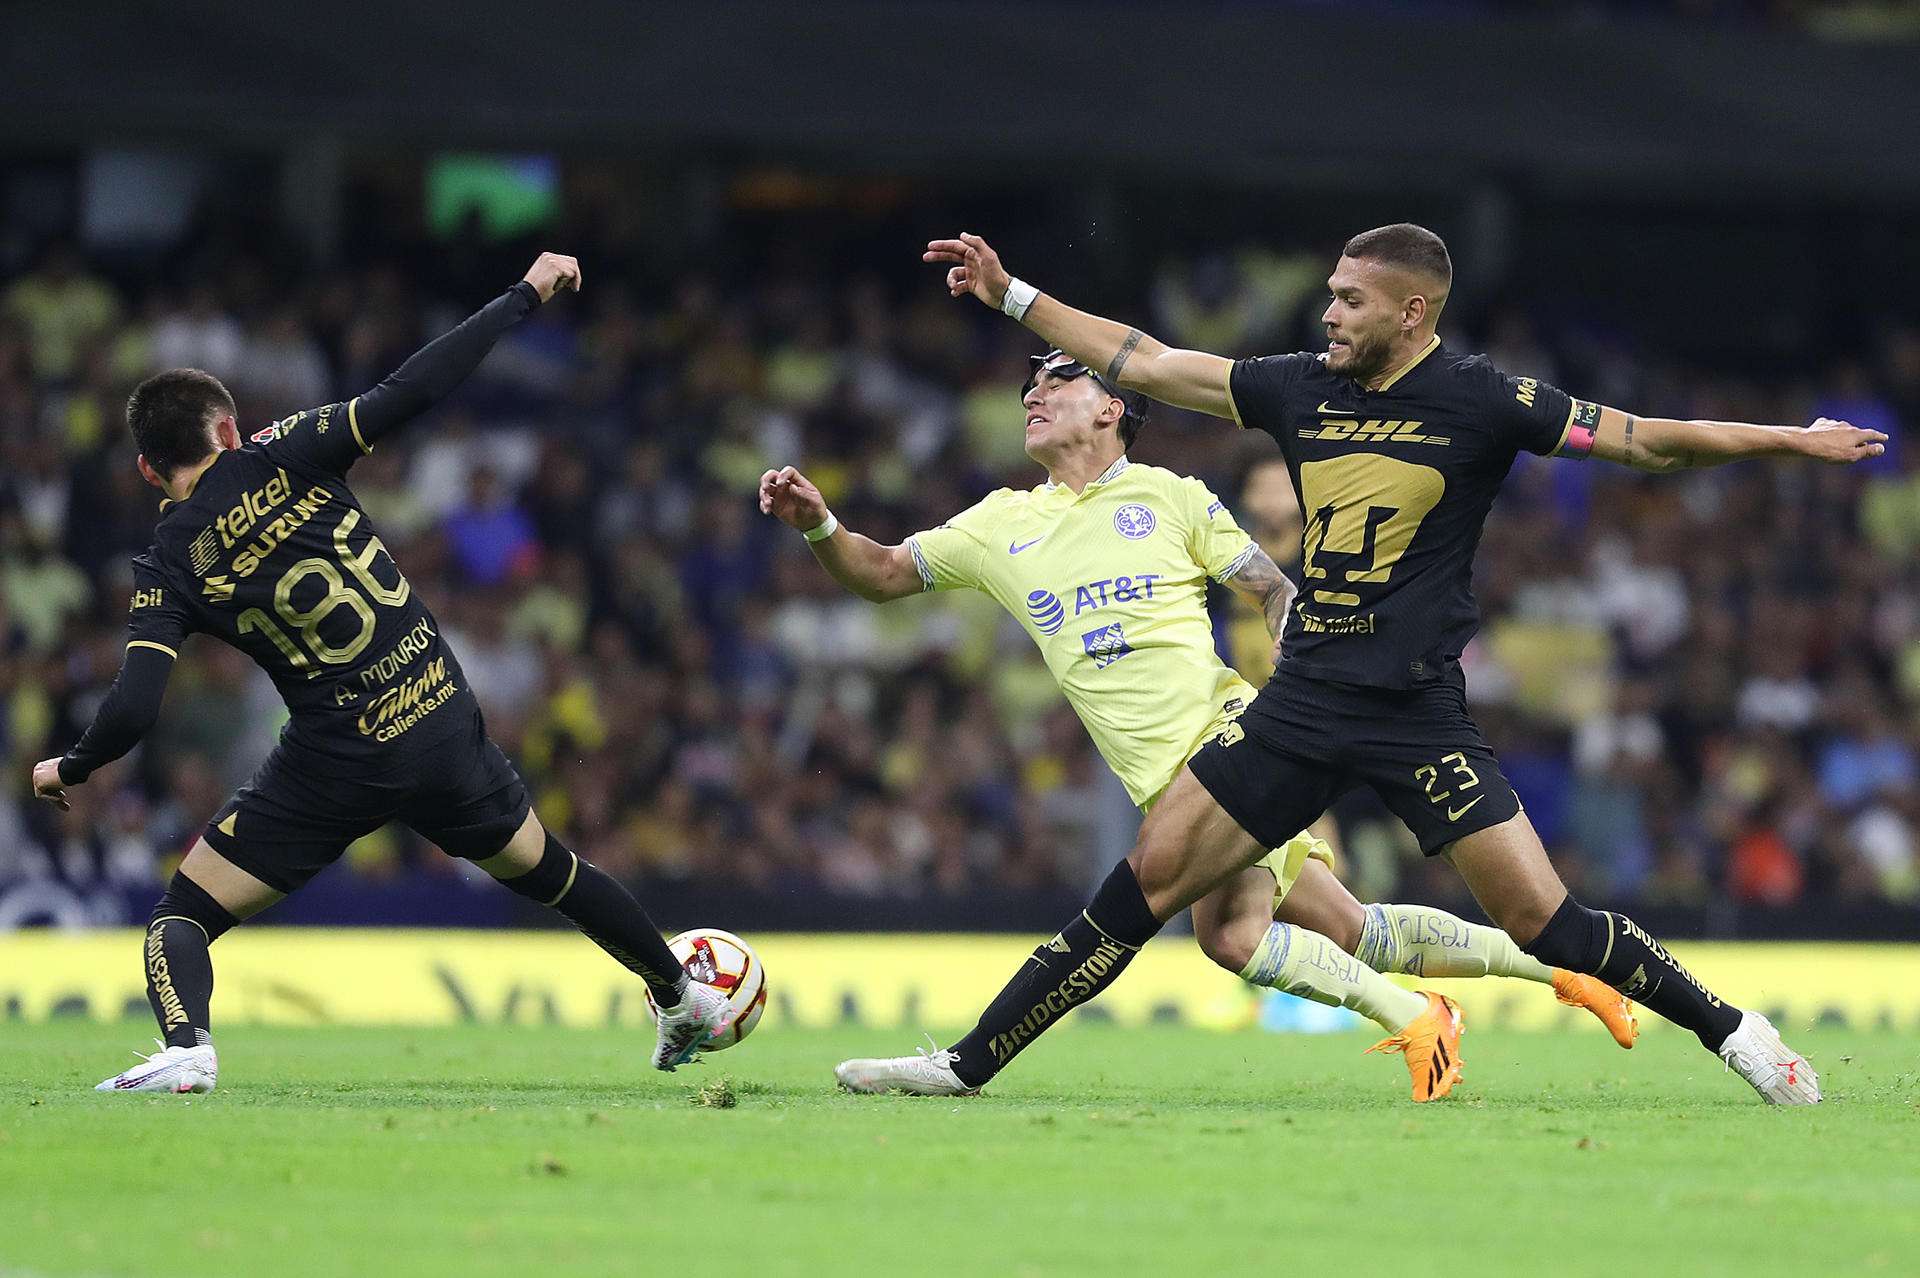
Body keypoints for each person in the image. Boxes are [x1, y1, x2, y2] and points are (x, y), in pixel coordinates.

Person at [832, 223, 1888, 1105]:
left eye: (1348, 299)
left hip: (1419, 709)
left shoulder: (1485, 400)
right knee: (1148, 884)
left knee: (1545, 919)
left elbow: (1646, 441)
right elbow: (1146, 361)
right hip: (1303, 703)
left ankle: (1735, 1029)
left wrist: (1790, 440)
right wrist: (1011, 292)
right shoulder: (1297, 389)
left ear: (1410, 310)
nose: (1328, 314)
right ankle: (966, 1067)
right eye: (1329, 295)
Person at [763, 347, 1635, 1103]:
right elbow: (879, 573)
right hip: (1162, 774)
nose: (1033, 392)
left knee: (1217, 932)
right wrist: (822, 527)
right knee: (1346, 929)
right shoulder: (999, 523)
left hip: (1232, 741)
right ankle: (1557, 969)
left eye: (1056, 379)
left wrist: (1304, 695)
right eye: (1028, 384)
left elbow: (1270, 586)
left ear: (1111, 407)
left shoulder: (1171, 499)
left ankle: (966, 1064)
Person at [31, 253, 733, 1093]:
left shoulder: (168, 561)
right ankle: (679, 992)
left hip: (336, 758)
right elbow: (412, 390)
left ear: (149, 470)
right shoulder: (285, 448)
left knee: (182, 913)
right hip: (437, 712)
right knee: (551, 872)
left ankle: (187, 1048)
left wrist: (68, 766)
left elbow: (136, 706)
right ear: (228, 428)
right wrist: (523, 295)